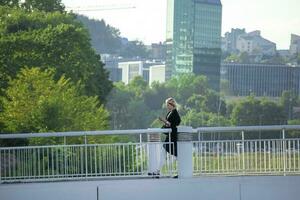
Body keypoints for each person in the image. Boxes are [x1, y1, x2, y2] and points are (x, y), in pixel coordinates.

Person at [147, 97, 180, 178]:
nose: (167, 106)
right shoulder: (170, 112)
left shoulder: (174, 113)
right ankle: (158, 171)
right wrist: (165, 123)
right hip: (170, 137)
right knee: (169, 154)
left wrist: (163, 120)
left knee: (176, 154)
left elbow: (175, 123)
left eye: (168, 104)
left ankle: (158, 171)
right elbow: (169, 124)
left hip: (172, 137)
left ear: (171, 104)